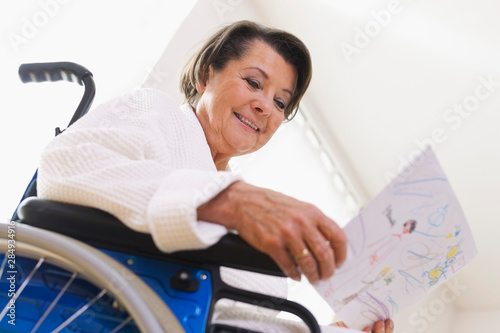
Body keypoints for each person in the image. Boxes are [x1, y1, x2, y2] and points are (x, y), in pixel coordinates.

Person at [37, 20, 394, 332]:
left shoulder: (245, 210)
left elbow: (242, 324)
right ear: (206, 75)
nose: (266, 106)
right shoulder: (156, 114)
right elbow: (65, 164)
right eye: (254, 82)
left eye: (281, 102)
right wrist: (226, 201)